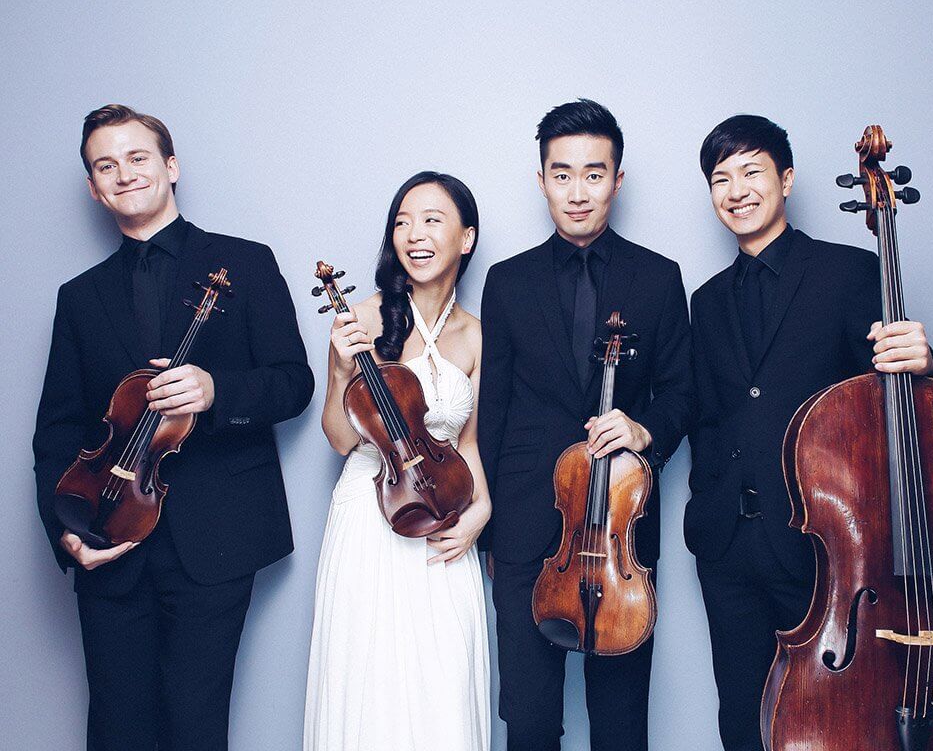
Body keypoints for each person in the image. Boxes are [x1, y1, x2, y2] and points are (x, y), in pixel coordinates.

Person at [32, 104, 314, 750]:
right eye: (107, 165)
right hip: (107, 533)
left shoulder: (245, 262)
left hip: (216, 535)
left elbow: (293, 382)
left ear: (171, 166)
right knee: (116, 728)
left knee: (195, 727)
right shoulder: (79, 296)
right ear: (94, 188)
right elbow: (58, 430)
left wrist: (216, 392)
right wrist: (66, 531)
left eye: (137, 157)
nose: (124, 173)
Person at [685, 114, 933, 751]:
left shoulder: (850, 272)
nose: (737, 191)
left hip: (822, 546)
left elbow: (906, 400)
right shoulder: (707, 300)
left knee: (830, 722)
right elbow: (707, 415)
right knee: (742, 721)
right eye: (721, 179)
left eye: (751, 172)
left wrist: (927, 363)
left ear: (786, 179)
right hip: (728, 547)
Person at [478, 99, 696, 751]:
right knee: (530, 721)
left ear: (617, 180)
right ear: (541, 179)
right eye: (563, 174)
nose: (578, 191)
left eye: (594, 174)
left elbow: (683, 393)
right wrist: (491, 532)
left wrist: (644, 431)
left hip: (620, 533)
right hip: (526, 528)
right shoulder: (506, 281)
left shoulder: (659, 278)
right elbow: (494, 410)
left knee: (621, 726)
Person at [304, 171, 491, 751]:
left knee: (443, 682)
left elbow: (466, 443)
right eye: (403, 222)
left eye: (433, 220)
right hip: (370, 513)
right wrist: (341, 370)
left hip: (445, 511)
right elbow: (339, 439)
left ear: (466, 237)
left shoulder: (475, 335)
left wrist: (481, 510)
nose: (415, 234)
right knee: (370, 679)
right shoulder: (361, 319)